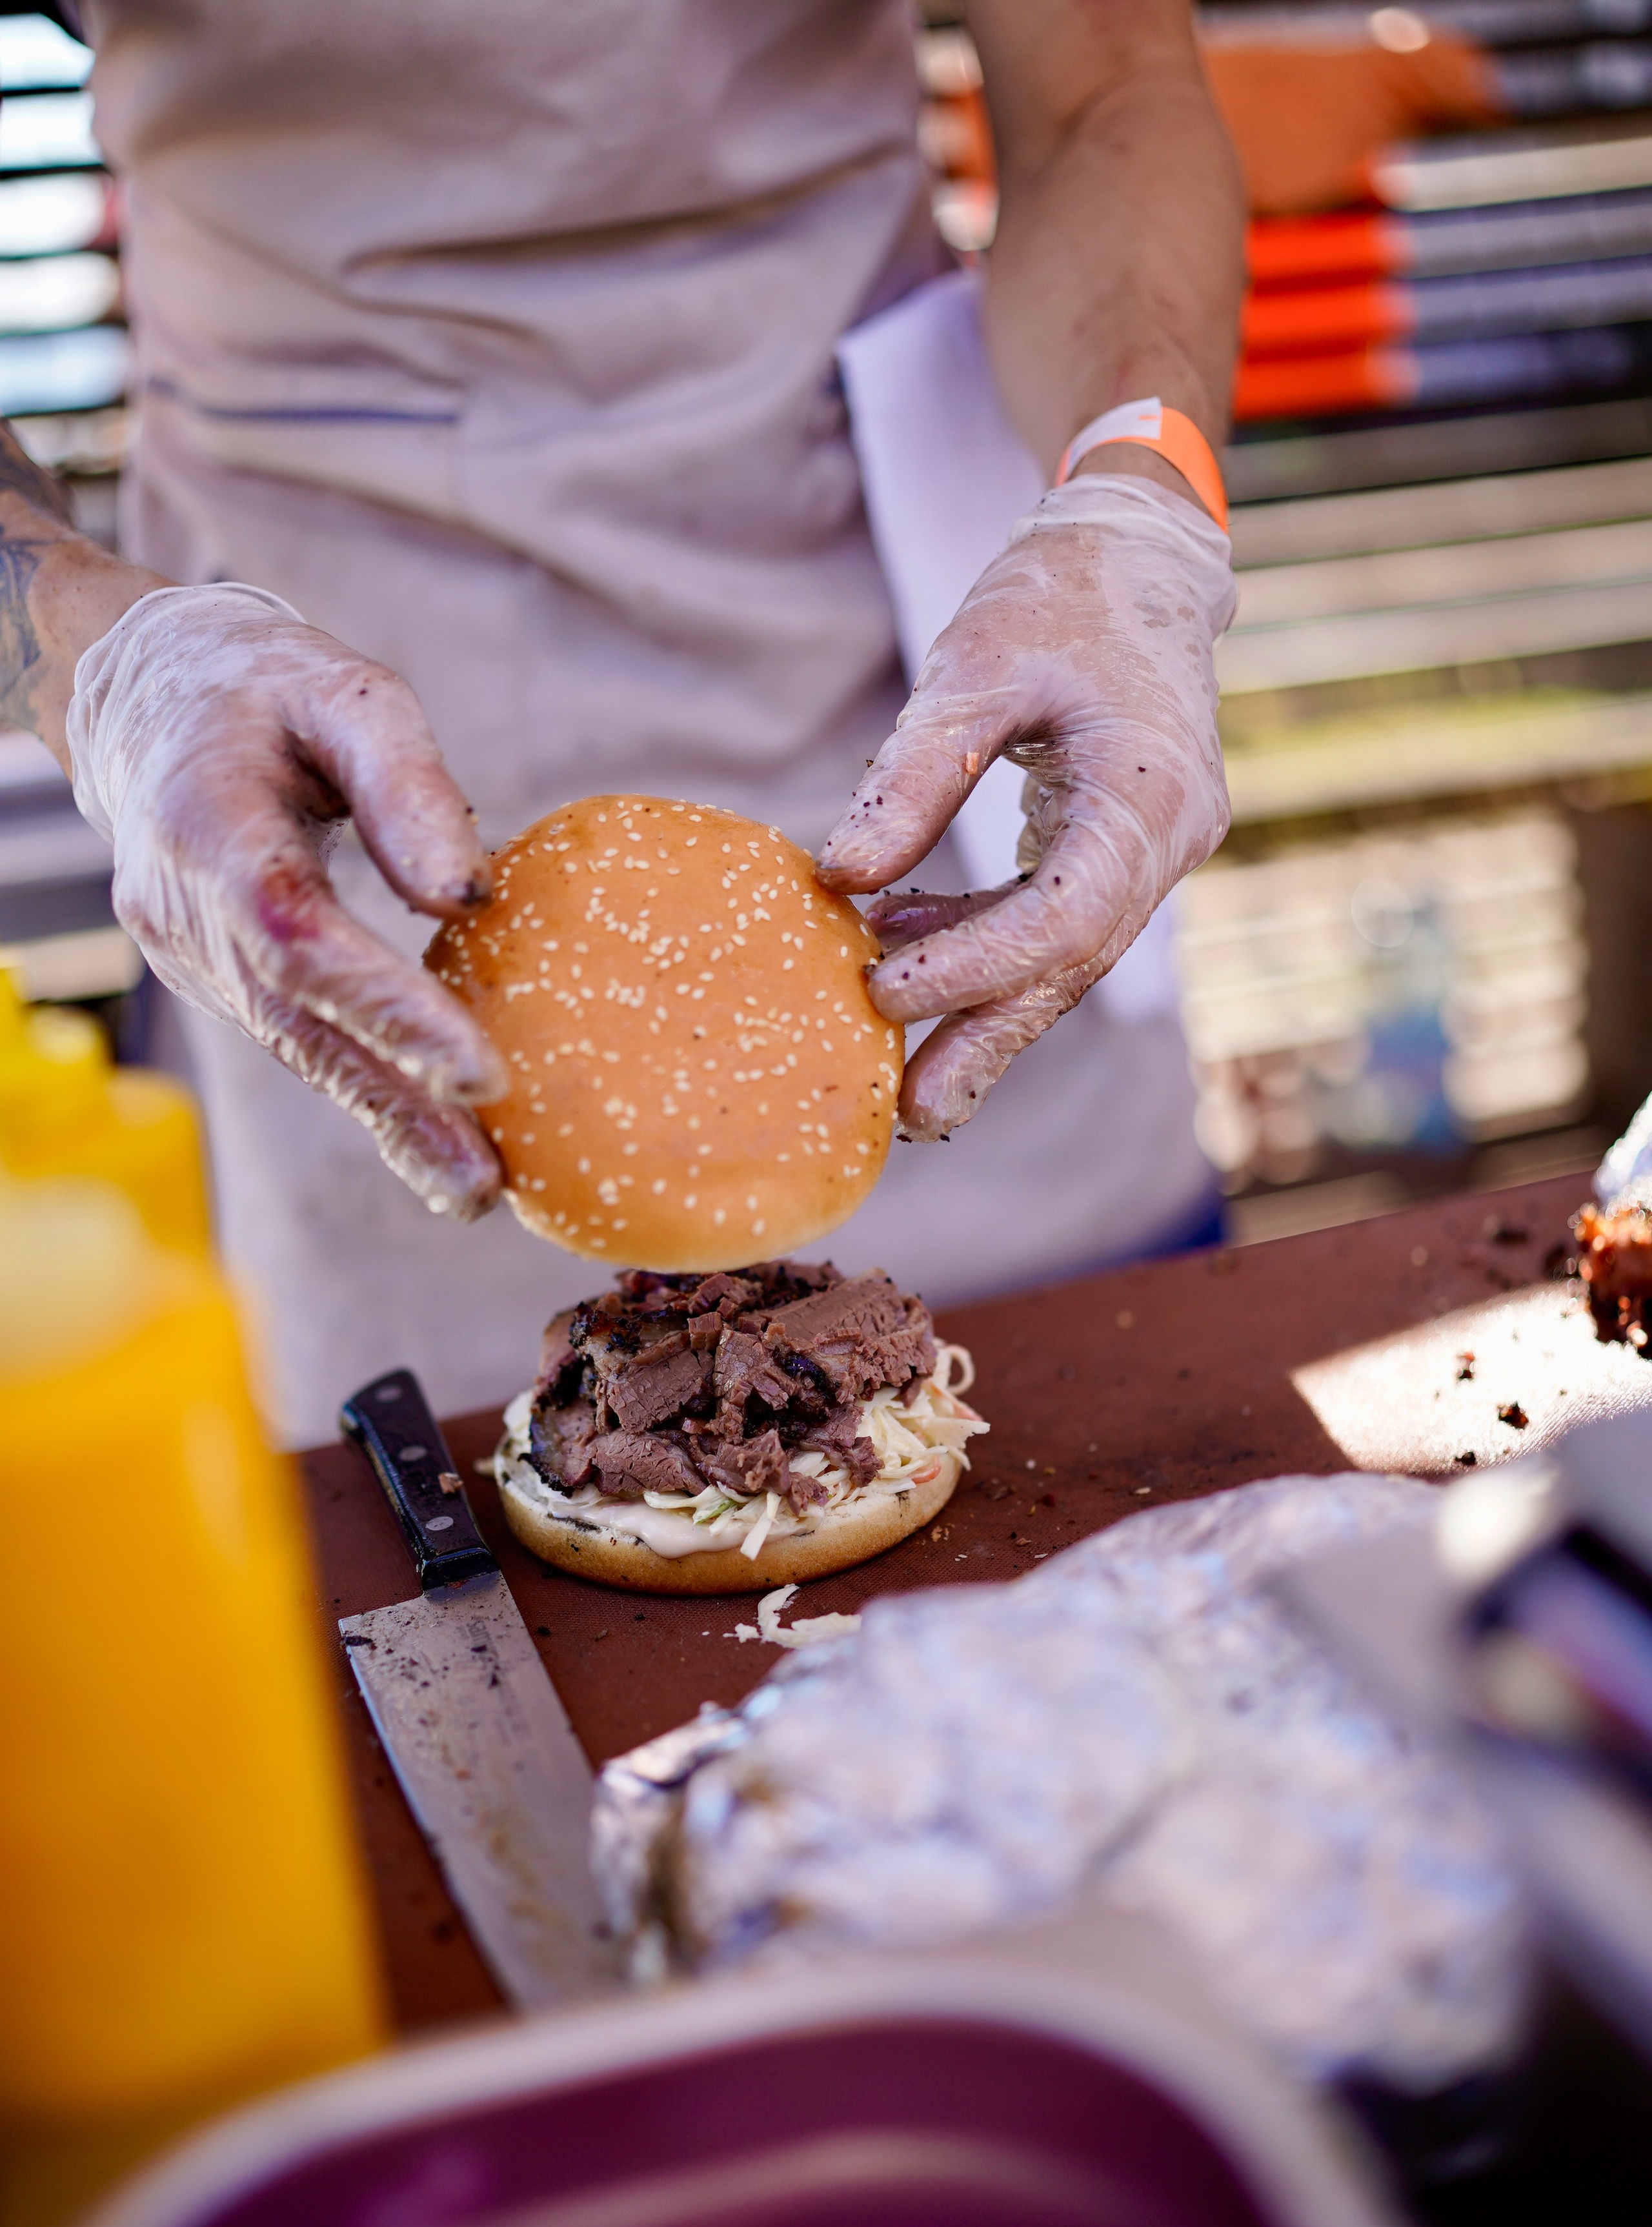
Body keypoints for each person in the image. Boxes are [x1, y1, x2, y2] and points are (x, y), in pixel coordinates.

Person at [1, 0, 1248, 1444]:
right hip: (312, 737)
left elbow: (1103, 87)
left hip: (926, 700)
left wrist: (1138, 501)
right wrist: (96, 663)